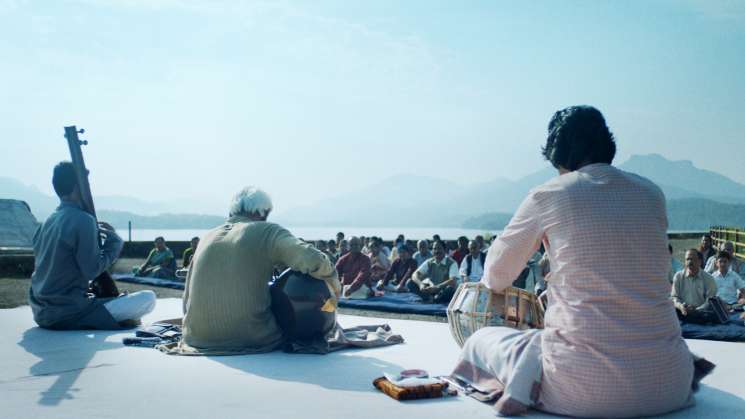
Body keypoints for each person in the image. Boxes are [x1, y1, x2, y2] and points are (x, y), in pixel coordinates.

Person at [451, 106, 708, 417]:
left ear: (560, 156)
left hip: (579, 392)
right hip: (670, 385)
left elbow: (495, 276)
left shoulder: (548, 194)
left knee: (483, 340)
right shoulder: (652, 193)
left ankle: (522, 390)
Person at [165, 186, 340, 355]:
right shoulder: (267, 231)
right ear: (261, 212)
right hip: (251, 338)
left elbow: (186, 297)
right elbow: (314, 260)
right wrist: (334, 285)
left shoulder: (207, 236)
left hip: (195, 338)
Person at [29, 162, 156, 330]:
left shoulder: (47, 221)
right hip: (67, 313)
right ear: (77, 187)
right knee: (148, 298)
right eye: (85, 184)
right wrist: (115, 244)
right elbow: (91, 270)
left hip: (41, 312)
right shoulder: (83, 219)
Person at [672, 249, 720, 323]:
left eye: (693, 259)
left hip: (701, 314)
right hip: (682, 312)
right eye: (687, 259)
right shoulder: (678, 276)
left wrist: (697, 310)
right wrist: (681, 306)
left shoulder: (709, 278)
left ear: (700, 262)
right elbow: (674, 297)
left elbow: (710, 301)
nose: (690, 262)